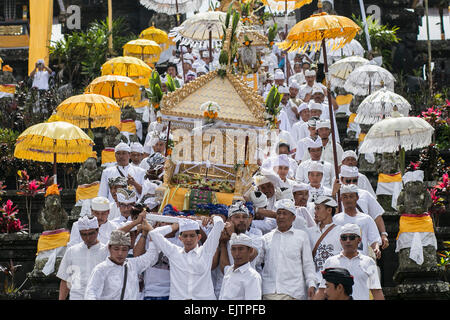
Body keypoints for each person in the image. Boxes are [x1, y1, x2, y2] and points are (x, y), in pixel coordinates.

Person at [149, 214, 225, 299]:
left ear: (199, 237)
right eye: (185, 236)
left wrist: (213, 217)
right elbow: (153, 233)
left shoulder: (206, 251)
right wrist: (175, 225)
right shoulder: (174, 252)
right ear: (180, 238)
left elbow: (219, 224)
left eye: (192, 235)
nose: (188, 239)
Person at [257, 199, 317, 300]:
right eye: (279, 213)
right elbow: (257, 261)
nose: (281, 217)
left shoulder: (301, 236)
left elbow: (308, 264)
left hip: (293, 292)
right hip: (269, 292)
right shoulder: (266, 238)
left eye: (285, 214)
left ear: (293, 218)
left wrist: (311, 283)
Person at [84, 225, 159, 300]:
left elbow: (151, 257)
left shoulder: (133, 264)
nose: (120, 253)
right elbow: (91, 293)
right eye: (116, 249)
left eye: (124, 249)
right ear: (109, 248)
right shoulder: (101, 269)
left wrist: (151, 232)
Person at [314, 223, 385, 300]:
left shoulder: (369, 262)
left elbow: (377, 292)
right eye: (344, 238)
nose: (348, 241)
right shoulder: (330, 262)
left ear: (359, 240)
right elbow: (322, 291)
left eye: (352, 237)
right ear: (340, 240)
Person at [332, 165, 388, 250]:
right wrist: (333, 194)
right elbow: (330, 217)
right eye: (348, 180)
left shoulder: (365, 194)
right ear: (342, 179)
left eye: (354, 180)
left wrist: (383, 234)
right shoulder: (335, 195)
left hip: (364, 235)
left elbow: (377, 215)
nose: (351, 183)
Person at [57, 216, 108, 300]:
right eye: (84, 234)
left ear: (97, 230)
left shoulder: (106, 251)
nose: (87, 238)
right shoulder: (72, 251)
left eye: (91, 233)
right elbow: (65, 279)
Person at [333, 184, 382, 258]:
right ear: (341, 199)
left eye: (351, 196)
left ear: (357, 198)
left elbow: (374, 239)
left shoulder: (366, 219)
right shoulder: (335, 219)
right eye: (345, 197)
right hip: (340, 260)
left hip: (361, 259)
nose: (348, 200)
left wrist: (376, 248)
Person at [306, 196, 342, 281]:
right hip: (315, 281)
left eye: (318, 208)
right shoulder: (309, 232)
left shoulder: (341, 231)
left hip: (334, 281)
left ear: (329, 210)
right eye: (315, 209)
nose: (315, 212)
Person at [218, 233, 262, 300]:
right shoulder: (229, 270)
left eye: (241, 249)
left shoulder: (253, 277)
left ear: (250, 251)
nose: (237, 253)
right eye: (233, 249)